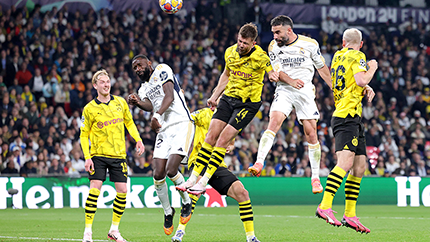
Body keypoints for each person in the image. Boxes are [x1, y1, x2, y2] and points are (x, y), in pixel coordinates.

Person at [247, 15, 332, 194]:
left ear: (289, 30)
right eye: (273, 33)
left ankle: (315, 178)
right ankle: (259, 162)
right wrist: (291, 81)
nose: (275, 37)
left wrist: (334, 88)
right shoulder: (273, 47)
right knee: (274, 122)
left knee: (311, 134)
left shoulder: (310, 44)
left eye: (278, 32)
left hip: (305, 91)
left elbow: (322, 69)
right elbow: (277, 72)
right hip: (285, 90)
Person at [315, 28, 377, 234]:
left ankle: (350, 214)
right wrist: (372, 68)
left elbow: (349, 83)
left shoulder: (337, 56)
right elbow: (361, 80)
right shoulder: (359, 56)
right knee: (346, 163)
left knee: (359, 167)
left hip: (352, 118)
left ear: (343, 42)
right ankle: (324, 206)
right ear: (360, 44)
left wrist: (364, 87)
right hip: (346, 117)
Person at [172, 96, 259, 242]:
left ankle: (251, 237)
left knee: (242, 193)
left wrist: (229, 147)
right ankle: (180, 232)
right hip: (199, 161)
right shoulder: (203, 114)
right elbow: (186, 119)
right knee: (194, 194)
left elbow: (231, 142)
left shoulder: (230, 120)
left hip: (217, 165)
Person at [129, 55, 194, 236]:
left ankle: (187, 201)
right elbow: (150, 105)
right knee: (158, 173)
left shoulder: (162, 70)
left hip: (181, 123)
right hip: (164, 130)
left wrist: (157, 116)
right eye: (134, 68)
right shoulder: (143, 88)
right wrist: (137, 102)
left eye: (140, 65)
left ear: (149, 63)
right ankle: (168, 211)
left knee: (172, 170)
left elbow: (169, 96)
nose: (137, 69)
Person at [80, 69, 145, 242]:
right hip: (98, 155)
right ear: (95, 85)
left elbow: (129, 123)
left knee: (123, 190)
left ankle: (114, 230)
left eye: (107, 81)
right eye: (102, 82)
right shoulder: (89, 109)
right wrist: (87, 157)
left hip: (118, 155)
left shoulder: (121, 102)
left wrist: (138, 139)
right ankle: (88, 232)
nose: (106, 84)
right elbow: (83, 134)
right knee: (95, 189)